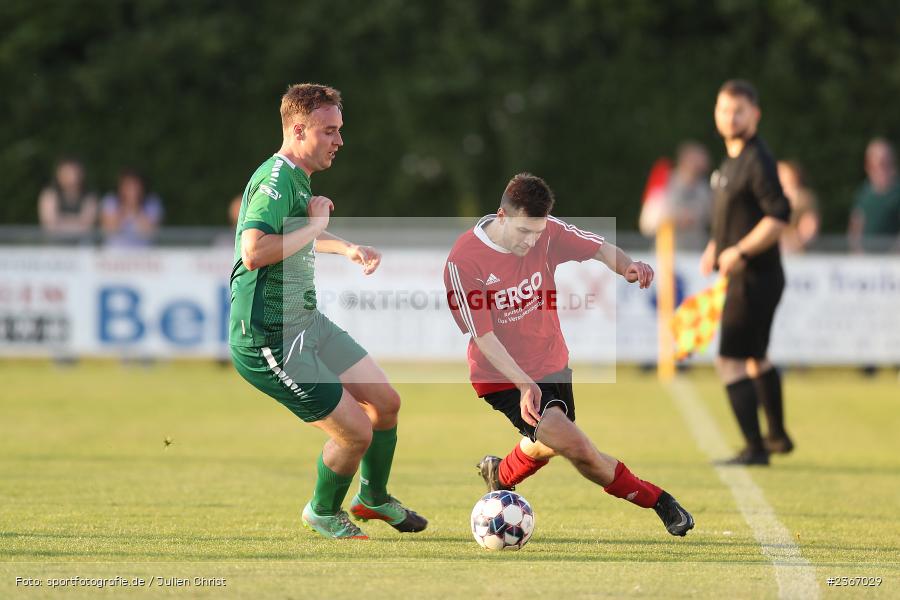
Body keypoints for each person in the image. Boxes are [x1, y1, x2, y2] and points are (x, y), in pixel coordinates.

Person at [443, 172, 694, 537]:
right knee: (579, 449)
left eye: (537, 233)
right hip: (500, 375)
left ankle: (500, 474)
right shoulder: (464, 261)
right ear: (501, 216)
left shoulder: (548, 232)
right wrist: (524, 383)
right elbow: (484, 338)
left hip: (552, 363)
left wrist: (627, 266)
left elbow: (600, 247)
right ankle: (660, 501)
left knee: (548, 443)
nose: (531, 242)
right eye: (523, 232)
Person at [229, 83, 426, 540]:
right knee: (355, 433)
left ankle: (372, 499)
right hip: (268, 337)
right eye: (330, 131)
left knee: (386, 403)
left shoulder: (298, 176)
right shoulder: (277, 180)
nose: (339, 141)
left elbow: (295, 234)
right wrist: (318, 224)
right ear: (299, 130)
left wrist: (343, 247)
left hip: (304, 321)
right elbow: (254, 251)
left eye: (340, 130)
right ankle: (321, 511)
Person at [700, 80, 793, 466]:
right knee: (755, 357)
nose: (730, 116)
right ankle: (777, 436)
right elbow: (736, 216)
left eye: (738, 110)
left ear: (755, 115)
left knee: (730, 361)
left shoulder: (757, 159)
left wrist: (738, 250)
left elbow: (778, 216)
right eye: (724, 109)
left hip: (755, 277)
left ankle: (756, 448)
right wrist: (715, 246)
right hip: (750, 277)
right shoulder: (733, 160)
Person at [639, 142, 712, 251]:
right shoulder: (663, 180)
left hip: (695, 255)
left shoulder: (705, 188)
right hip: (665, 256)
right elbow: (647, 223)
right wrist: (674, 219)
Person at [848, 138, 900, 254]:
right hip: (867, 262)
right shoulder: (864, 191)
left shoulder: (897, 192)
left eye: (887, 162)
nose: (882, 168)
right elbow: (856, 224)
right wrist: (857, 252)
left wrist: (892, 255)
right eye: (879, 163)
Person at [38, 158, 98, 242]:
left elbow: (87, 227)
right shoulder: (50, 194)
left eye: (72, 172)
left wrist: (60, 221)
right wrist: (77, 222)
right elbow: (49, 226)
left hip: (81, 247)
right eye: (66, 173)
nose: (71, 177)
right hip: (54, 247)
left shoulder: (89, 197)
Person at [100, 169, 163, 247]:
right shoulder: (111, 201)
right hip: (114, 254)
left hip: (144, 254)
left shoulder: (152, 202)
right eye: (128, 186)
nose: (133, 190)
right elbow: (110, 230)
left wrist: (136, 207)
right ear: (121, 187)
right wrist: (125, 207)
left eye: (136, 185)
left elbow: (150, 232)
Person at [777, 161, 819, 253]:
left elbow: (810, 223)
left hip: (795, 249)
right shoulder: (771, 196)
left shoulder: (805, 199)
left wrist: (797, 242)